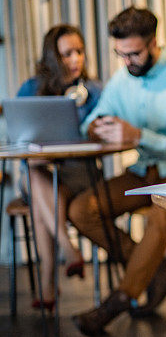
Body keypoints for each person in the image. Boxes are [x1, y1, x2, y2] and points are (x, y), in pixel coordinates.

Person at [69, 6, 166, 336]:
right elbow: (92, 121)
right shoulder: (122, 79)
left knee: (161, 210)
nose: (127, 62)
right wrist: (96, 127)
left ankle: (120, 299)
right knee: (81, 210)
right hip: (144, 171)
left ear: (153, 44)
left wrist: (137, 136)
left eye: (134, 53)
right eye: (121, 54)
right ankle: (155, 274)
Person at [17, 24, 102, 309]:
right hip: (42, 172)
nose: (75, 59)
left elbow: (102, 134)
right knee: (35, 170)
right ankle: (68, 249)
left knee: (42, 200)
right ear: (53, 58)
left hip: (79, 175)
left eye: (79, 51)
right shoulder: (31, 89)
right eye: (67, 54)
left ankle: (49, 283)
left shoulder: (94, 91)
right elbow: (17, 136)